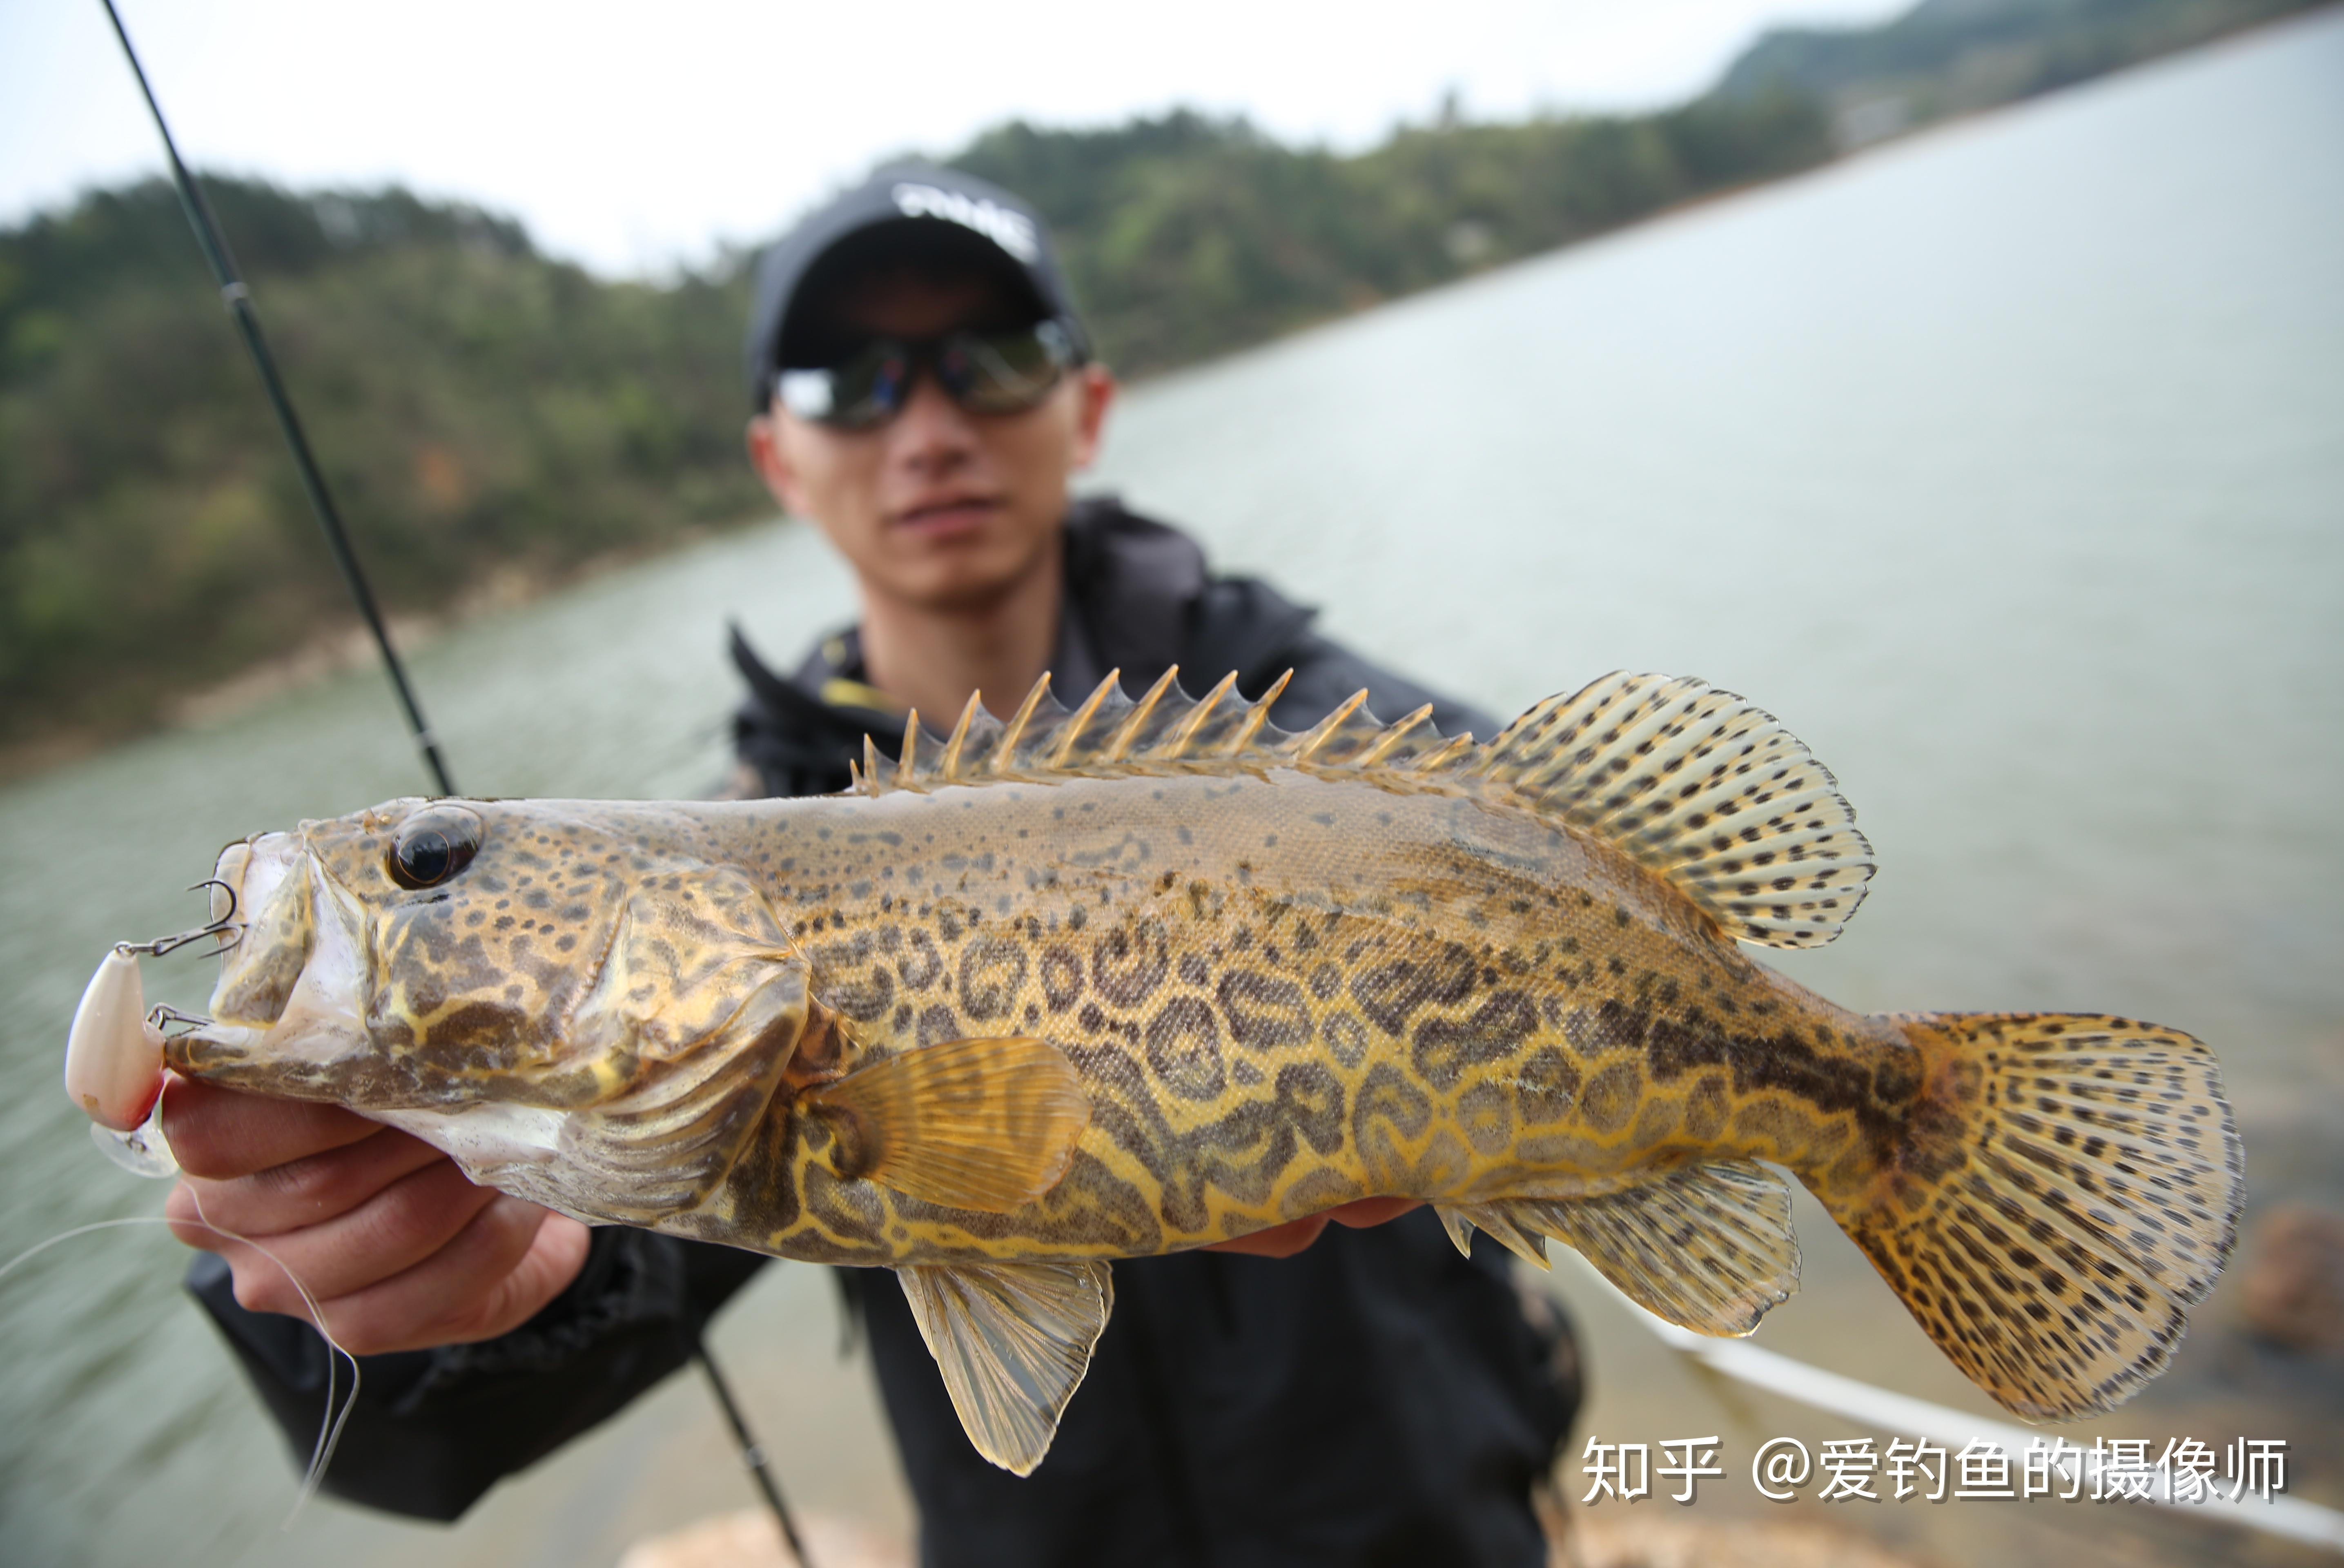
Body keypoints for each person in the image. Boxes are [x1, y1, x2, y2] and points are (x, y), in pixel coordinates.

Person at [164, 165, 1580, 1566]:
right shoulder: (726, 884)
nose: (930, 426)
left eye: (994, 361)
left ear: (1086, 408)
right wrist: (417, 1267)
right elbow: (489, 1352)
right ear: (779, 457)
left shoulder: (1323, 733)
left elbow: (1584, 872)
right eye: (852, 381)